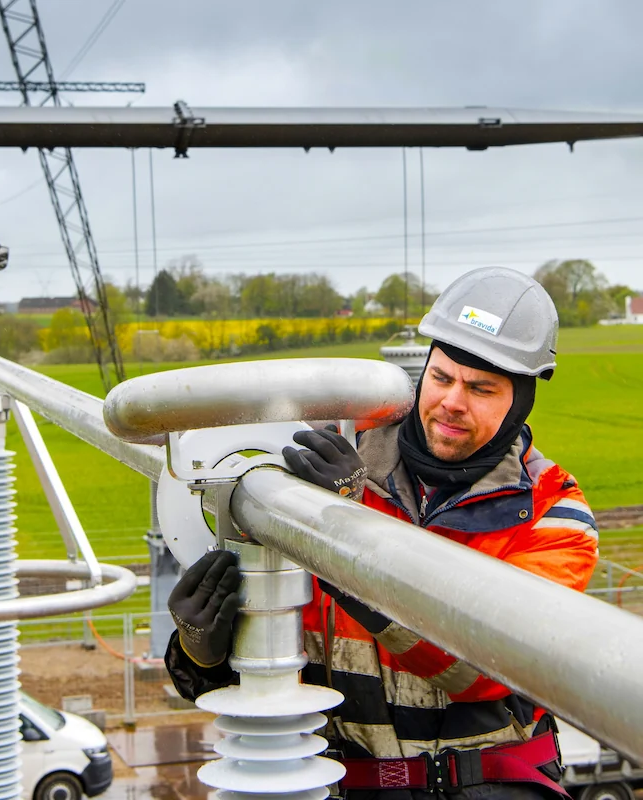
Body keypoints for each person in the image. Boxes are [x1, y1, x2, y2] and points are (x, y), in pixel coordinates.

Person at [165, 267, 599, 800]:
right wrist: (200, 650)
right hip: (347, 785)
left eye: (481, 388)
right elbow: (272, 663)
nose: (453, 402)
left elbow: (482, 670)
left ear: (522, 401)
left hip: (492, 787)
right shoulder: (321, 468)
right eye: (441, 378)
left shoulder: (551, 513)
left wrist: (345, 536)